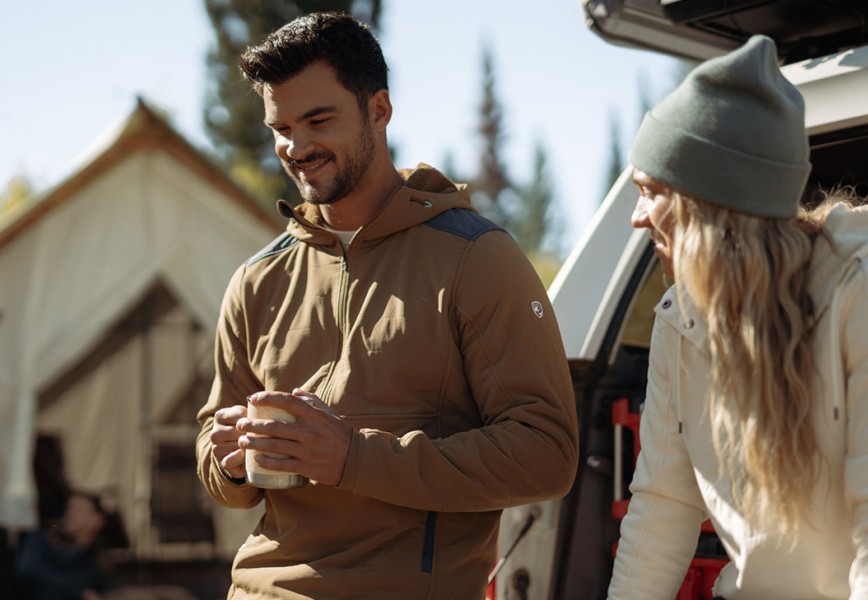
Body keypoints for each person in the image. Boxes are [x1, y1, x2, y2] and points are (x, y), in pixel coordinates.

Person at [195, 11, 579, 599]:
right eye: (282, 127)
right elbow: (218, 458)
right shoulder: (256, 280)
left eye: (319, 120)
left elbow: (547, 454)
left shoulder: (477, 256)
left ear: (379, 109)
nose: (296, 147)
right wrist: (226, 458)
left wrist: (354, 456)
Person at [606, 35, 868, 599]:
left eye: (650, 192)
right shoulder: (680, 320)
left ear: (706, 210)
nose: (636, 217)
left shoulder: (857, 294)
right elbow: (663, 506)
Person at [15, 491, 114, 600]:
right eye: (69, 508)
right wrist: (80, 592)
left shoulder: (94, 563)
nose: (69, 513)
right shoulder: (40, 539)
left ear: (97, 521)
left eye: (78, 510)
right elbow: (28, 569)